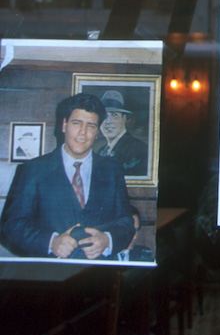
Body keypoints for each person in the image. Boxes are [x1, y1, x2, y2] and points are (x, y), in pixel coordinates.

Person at [0, 94, 134, 260]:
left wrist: (107, 240)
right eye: (76, 123)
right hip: (49, 272)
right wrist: (51, 242)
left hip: (97, 273)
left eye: (91, 126)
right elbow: (12, 226)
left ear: (97, 132)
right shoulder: (34, 169)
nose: (82, 133)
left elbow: (126, 224)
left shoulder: (112, 171)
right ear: (64, 125)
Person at [96, 90, 149, 179]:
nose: (108, 121)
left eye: (114, 115)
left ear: (124, 119)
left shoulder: (139, 149)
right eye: (104, 116)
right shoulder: (100, 152)